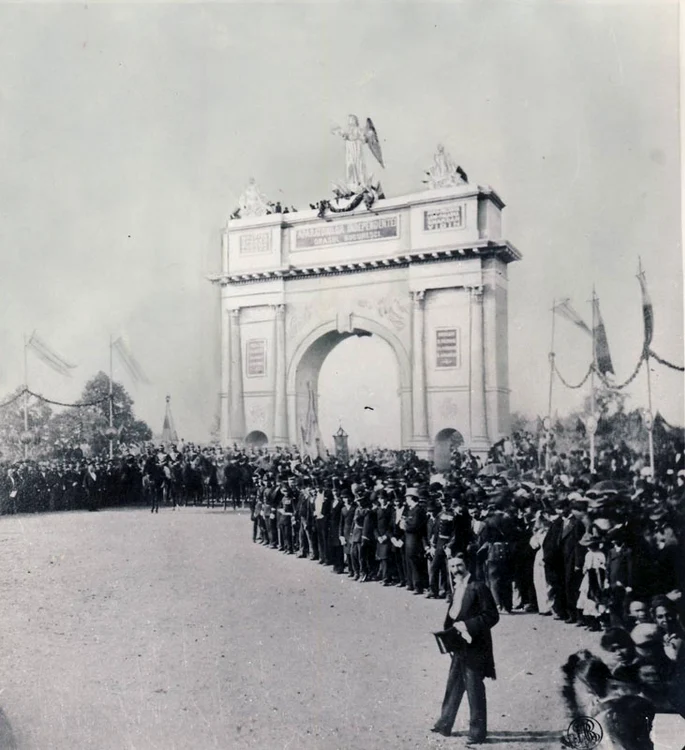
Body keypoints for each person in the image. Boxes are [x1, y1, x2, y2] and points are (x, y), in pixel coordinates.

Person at [431, 553, 499, 744]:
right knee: (453, 683)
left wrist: (468, 626)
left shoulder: (479, 587)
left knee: (474, 687)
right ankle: (445, 723)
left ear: (467, 565)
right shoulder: (457, 587)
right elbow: (452, 616)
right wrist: (448, 635)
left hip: (475, 645)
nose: (455, 570)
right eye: (452, 566)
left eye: (459, 565)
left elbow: (492, 616)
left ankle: (477, 733)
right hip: (458, 645)